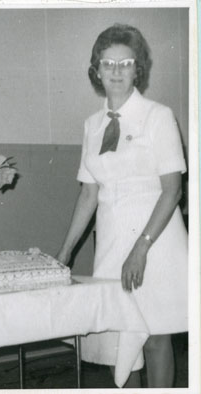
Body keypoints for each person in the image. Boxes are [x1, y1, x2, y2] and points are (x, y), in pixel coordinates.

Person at [57, 23, 187, 388]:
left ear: (137, 69)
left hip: (156, 239)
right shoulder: (92, 124)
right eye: (107, 63)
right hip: (112, 238)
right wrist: (64, 253)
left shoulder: (158, 116)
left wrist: (141, 248)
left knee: (156, 334)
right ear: (96, 70)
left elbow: (172, 191)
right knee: (119, 338)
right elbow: (88, 194)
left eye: (125, 63)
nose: (116, 71)